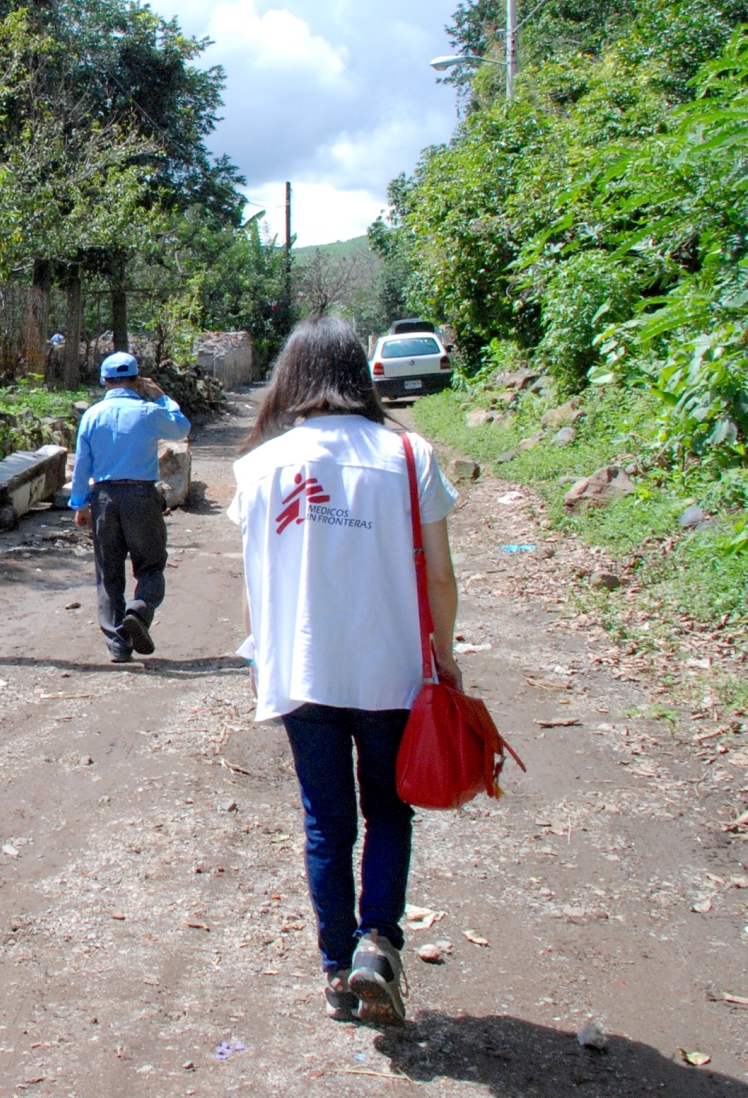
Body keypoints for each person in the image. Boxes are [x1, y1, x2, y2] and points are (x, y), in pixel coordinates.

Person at [227, 319, 461, 1027]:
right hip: (391, 667)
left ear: (291, 377)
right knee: (390, 807)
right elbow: (442, 576)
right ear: (360, 374)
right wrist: (444, 655)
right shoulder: (407, 453)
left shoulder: (261, 465)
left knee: (327, 822)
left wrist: (259, 656)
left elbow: (254, 579)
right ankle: (378, 942)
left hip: (303, 668)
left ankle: (336, 970)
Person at [69, 350, 193, 662]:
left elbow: (83, 464)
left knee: (109, 573)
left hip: (105, 498)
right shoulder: (150, 412)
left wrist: (81, 504)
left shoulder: (92, 416)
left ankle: (118, 646)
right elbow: (181, 429)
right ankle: (139, 609)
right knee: (150, 565)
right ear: (137, 381)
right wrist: (163, 398)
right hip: (141, 497)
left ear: (104, 381)